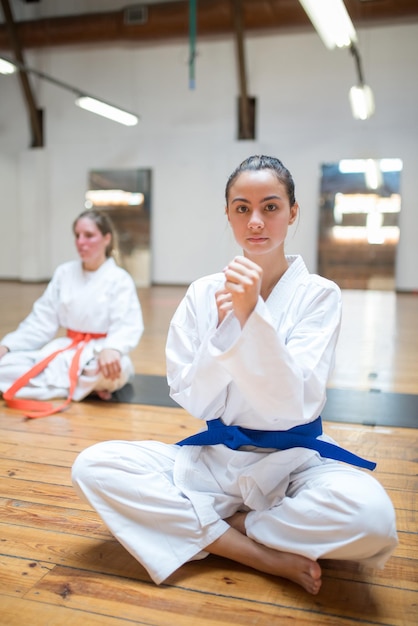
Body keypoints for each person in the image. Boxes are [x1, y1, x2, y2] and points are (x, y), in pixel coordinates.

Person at [72, 156, 397, 594]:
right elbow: (195, 400)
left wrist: (252, 319)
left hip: (293, 461)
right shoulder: (203, 292)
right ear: (228, 214)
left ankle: (228, 524)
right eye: (242, 208)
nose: (256, 221)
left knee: (371, 518)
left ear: (293, 212)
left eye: (271, 206)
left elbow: (290, 407)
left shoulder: (319, 294)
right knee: (94, 466)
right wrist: (228, 330)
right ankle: (256, 552)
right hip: (216, 460)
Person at [0, 209, 144, 417]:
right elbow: (41, 320)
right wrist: (8, 345)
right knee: (4, 364)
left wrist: (113, 348)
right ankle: (84, 389)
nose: (80, 242)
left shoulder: (119, 279)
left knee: (117, 368)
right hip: (66, 350)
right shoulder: (64, 273)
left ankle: (61, 386)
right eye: (77, 236)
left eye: (88, 235)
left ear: (106, 238)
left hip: (98, 354)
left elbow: (128, 324)